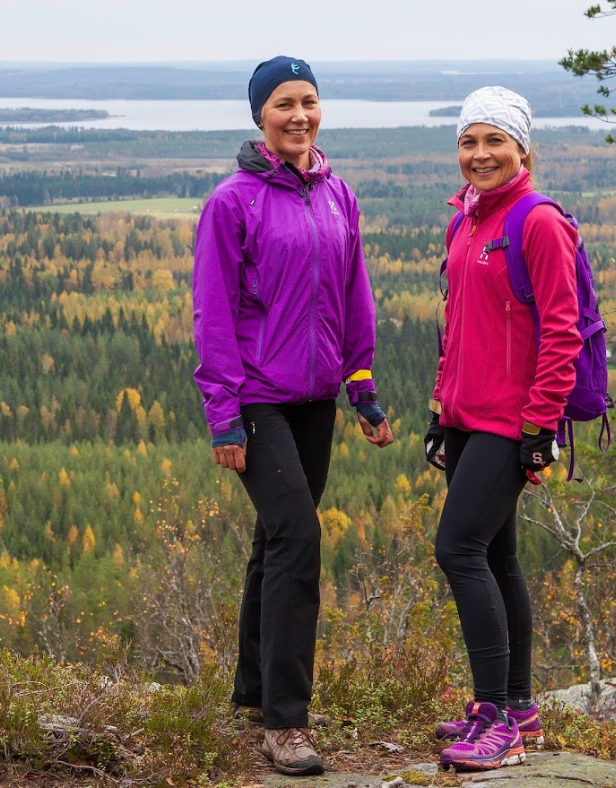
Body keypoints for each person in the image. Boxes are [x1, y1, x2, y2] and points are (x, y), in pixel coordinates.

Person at [192, 55, 393, 777]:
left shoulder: (337, 193)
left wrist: (361, 388)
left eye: (309, 101)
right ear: (259, 116)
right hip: (256, 399)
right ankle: (286, 723)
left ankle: (251, 692)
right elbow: (213, 316)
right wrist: (222, 413)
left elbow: (353, 294)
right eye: (284, 104)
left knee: (275, 540)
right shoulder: (232, 203)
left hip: (315, 401)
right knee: (300, 539)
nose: (300, 115)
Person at [425, 86, 581, 772]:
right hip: (464, 417)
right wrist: (438, 409)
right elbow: (458, 324)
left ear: (522, 148)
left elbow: (562, 332)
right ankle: (518, 705)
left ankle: (496, 722)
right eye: (468, 142)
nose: (480, 154)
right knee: (495, 558)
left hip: (508, 422)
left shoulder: (537, 221)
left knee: (457, 548)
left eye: (494, 141)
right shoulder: (465, 221)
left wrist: (541, 425)